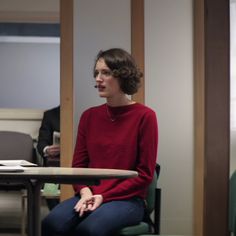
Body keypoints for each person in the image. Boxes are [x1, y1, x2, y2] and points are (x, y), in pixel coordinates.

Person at [42, 48, 158, 236]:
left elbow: (144, 174)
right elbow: (78, 168)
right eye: (96, 73)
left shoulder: (145, 116)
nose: (98, 78)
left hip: (127, 200)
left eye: (106, 73)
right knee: (51, 223)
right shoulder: (89, 116)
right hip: (90, 194)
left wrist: (103, 196)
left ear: (123, 76)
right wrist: (86, 193)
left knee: (89, 230)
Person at [37, 105, 60, 210]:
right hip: (55, 164)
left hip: (79, 163)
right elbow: (42, 142)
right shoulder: (50, 114)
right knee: (49, 185)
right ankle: (55, 215)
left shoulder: (85, 112)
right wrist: (47, 150)